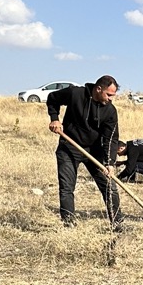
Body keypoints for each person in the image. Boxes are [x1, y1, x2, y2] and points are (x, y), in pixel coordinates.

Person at [47, 76, 121, 228]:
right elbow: (52, 98)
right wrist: (55, 119)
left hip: (94, 151)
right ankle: (69, 224)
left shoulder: (110, 111)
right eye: (109, 94)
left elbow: (111, 139)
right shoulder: (76, 94)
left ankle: (117, 223)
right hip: (69, 146)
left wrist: (109, 163)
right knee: (67, 187)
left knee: (109, 186)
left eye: (113, 95)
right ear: (98, 89)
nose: (111, 99)